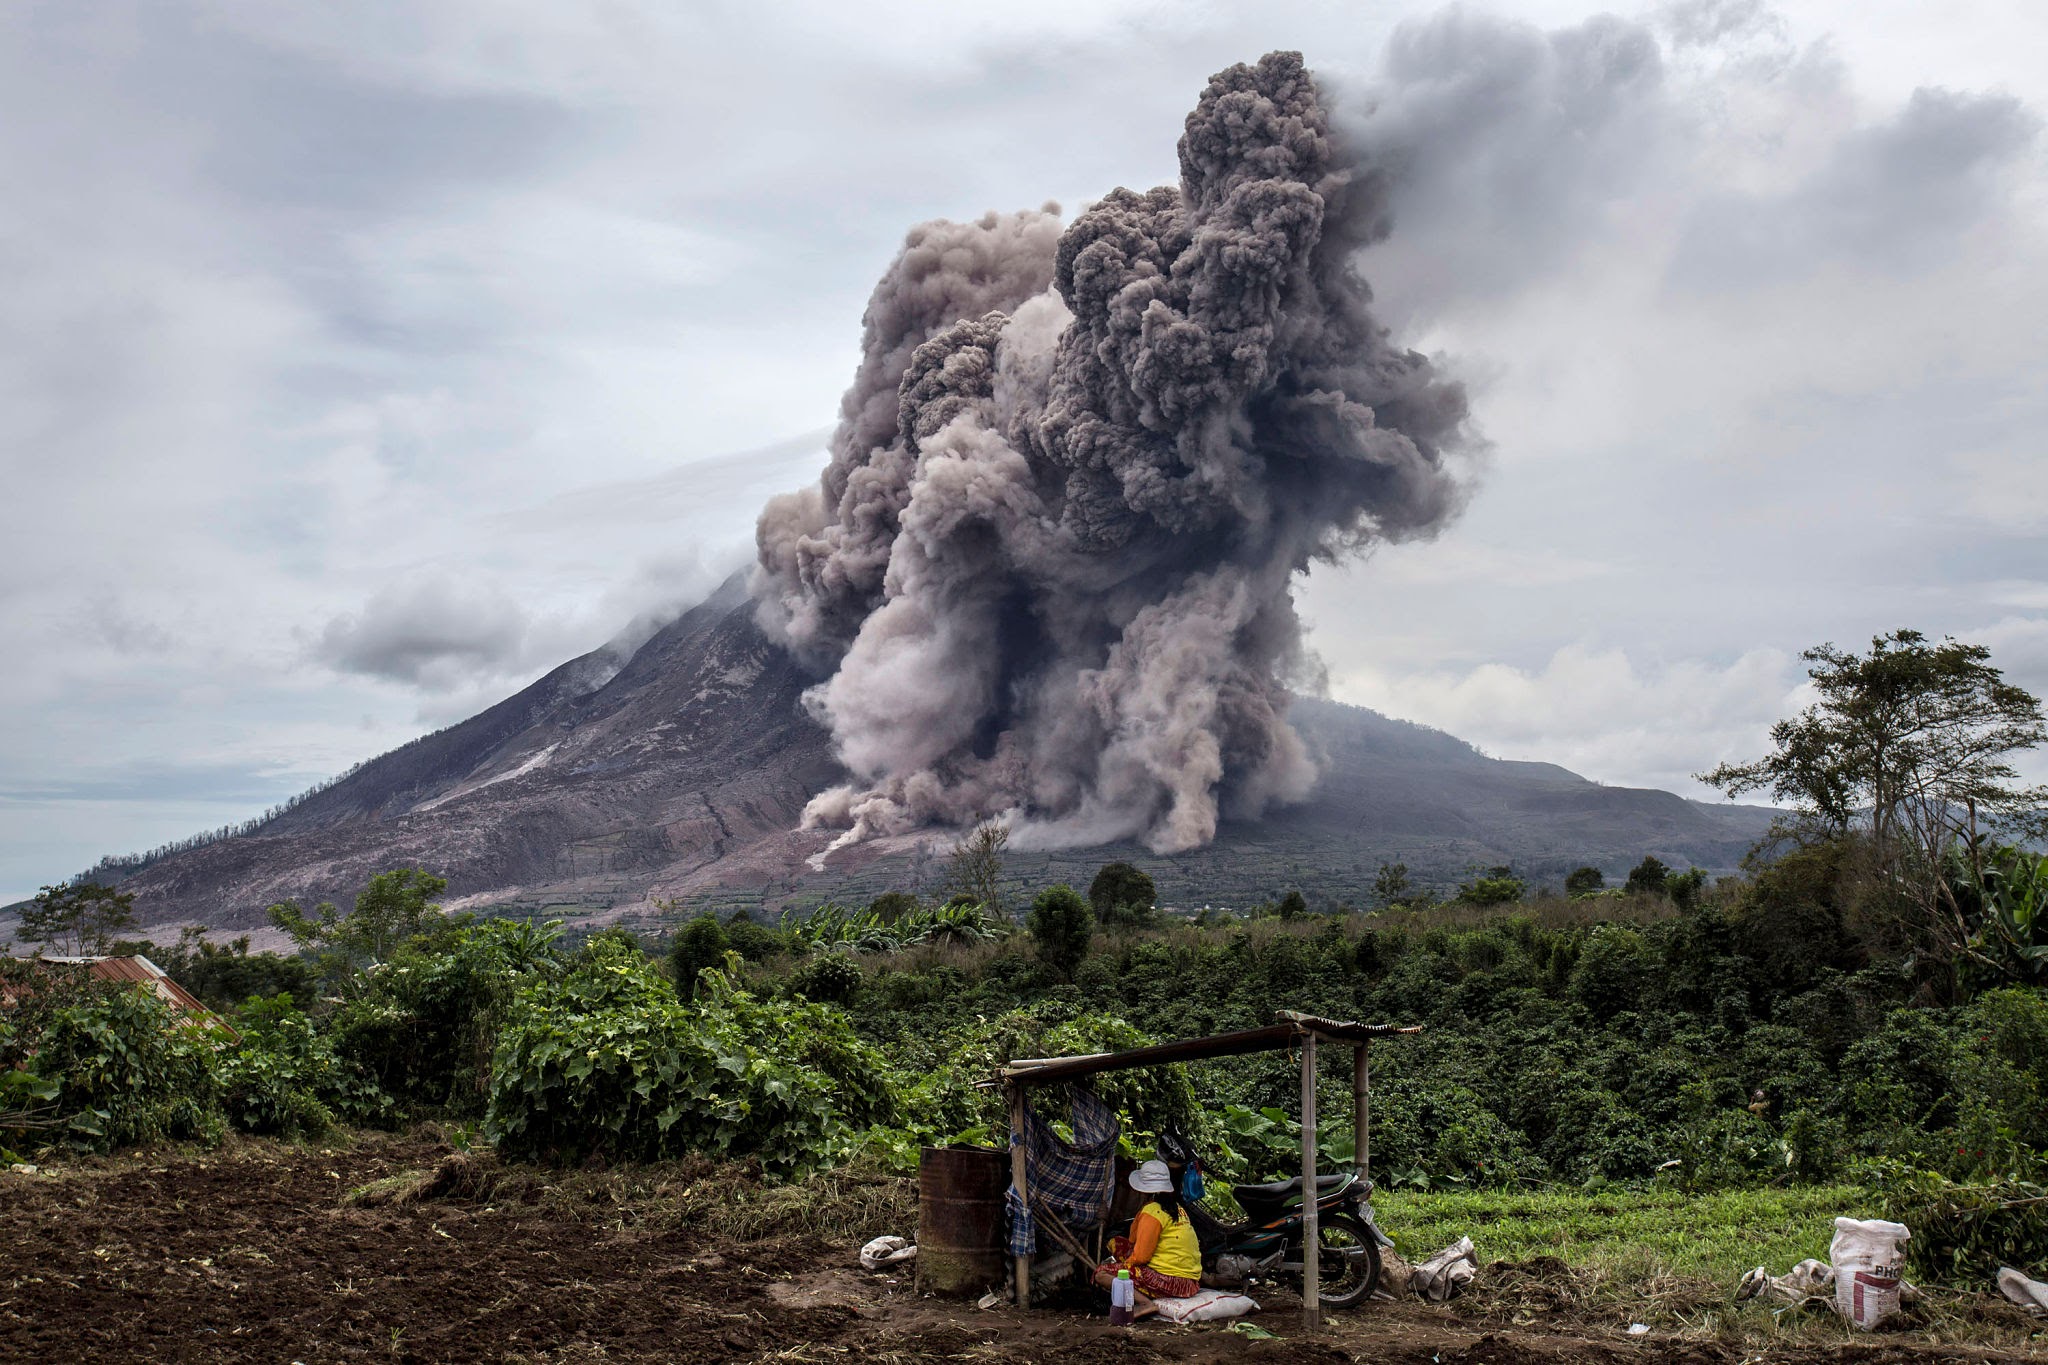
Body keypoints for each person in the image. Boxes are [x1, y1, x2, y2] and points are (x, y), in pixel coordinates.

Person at [1092, 1159, 1202, 1315]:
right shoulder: (1177, 1208)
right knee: (1120, 1245)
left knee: (1101, 1273)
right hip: (1189, 1284)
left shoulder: (1152, 1212)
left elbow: (1142, 1256)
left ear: (1142, 1189)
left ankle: (1145, 1304)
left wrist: (1126, 1266)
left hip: (1170, 1282)